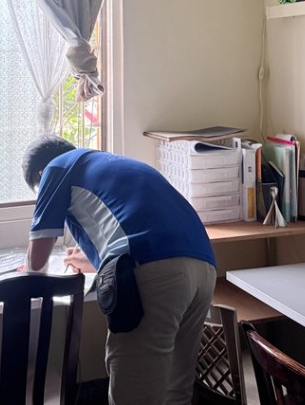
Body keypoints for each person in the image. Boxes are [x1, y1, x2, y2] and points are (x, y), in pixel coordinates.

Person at [22, 135, 217, 405]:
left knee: (132, 394)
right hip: (204, 267)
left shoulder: (56, 168)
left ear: (40, 174)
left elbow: (36, 263)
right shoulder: (111, 163)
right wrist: (94, 261)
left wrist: (27, 269)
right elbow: (137, 226)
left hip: (155, 272)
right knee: (176, 391)